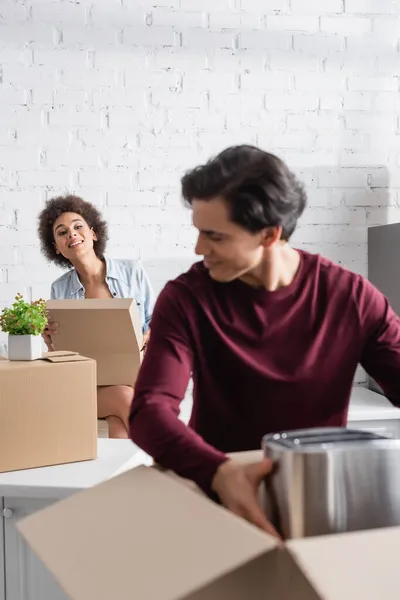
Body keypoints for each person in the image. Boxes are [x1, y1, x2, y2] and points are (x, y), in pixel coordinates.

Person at [129, 145, 400, 538]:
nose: (198, 249)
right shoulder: (186, 297)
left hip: (319, 505)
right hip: (216, 496)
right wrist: (218, 472)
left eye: (214, 236)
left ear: (270, 234)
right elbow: (149, 411)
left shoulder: (352, 298)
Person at [38, 195, 154, 439]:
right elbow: (60, 355)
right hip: (87, 383)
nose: (72, 234)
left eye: (78, 226)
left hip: (136, 376)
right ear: (56, 248)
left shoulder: (132, 271)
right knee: (124, 398)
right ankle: (170, 465)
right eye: (62, 232)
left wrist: (148, 336)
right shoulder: (59, 289)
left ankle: (129, 476)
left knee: (120, 420)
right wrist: (50, 341)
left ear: (93, 234)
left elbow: (157, 322)